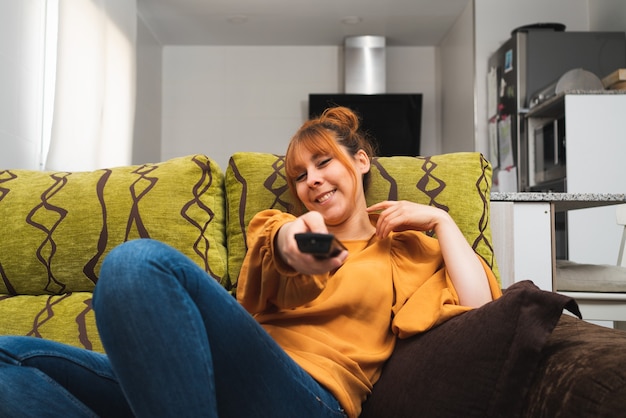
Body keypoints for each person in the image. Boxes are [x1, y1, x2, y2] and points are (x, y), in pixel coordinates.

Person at [0, 106, 501, 418]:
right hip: (200, 382)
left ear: (361, 163)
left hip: (306, 396)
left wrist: (442, 221)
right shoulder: (278, 226)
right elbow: (294, 256)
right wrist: (303, 246)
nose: (313, 180)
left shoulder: (409, 250)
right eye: (300, 174)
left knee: (136, 264)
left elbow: (481, 313)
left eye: (324, 162)